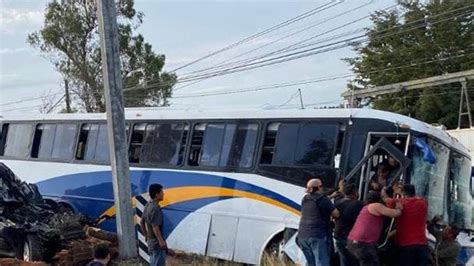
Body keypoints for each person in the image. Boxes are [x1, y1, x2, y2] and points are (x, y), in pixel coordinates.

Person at [347, 191, 402, 266]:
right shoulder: (376, 206)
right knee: (371, 262)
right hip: (363, 242)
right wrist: (399, 208)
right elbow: (394, 214)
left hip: (355, 241)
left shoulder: (366, 207)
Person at [386, 184, 432, 266]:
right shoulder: (423, 203)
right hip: (422, 244)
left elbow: (388, 202)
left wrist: (396, 193)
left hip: (405, 245)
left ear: (403, 193)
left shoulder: (400, 203)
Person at [297, 178, 340, 266]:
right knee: (321, 262)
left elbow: (317, 200)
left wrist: (331, 196)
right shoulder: (323, 200)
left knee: (310, 263)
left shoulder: (305, 199)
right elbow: (336, 214)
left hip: (302, 236)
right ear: (319, 188)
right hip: (317, 236)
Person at [334, 183, 363, 266]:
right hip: (349, 237)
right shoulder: (358, 204)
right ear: (355, 193)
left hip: (338, 236)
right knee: (354, 261)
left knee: (344, 260)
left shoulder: (337, 202)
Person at [141, 183, 167, 266]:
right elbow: (155, 226)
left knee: (153, 260)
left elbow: (142, 222)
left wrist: (146, 235)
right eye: (161, 192)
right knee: (157, 261)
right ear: (157, 195)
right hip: (156, 243)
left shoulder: (147, 205)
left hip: (150, 241)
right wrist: (161, 241)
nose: (163, 194)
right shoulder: (155, 208)